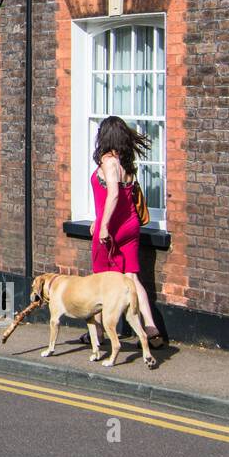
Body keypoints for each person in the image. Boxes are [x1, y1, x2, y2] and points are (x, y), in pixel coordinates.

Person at [91, 115, 163, 346]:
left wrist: (102, 225)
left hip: (112, 228)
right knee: (132, 277)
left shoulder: (108, 162)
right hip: (131, 225)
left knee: (100, 282)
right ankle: (151, 328)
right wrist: (96, 218)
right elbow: (120, 199)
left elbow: (112, 194)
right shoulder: (126, 164)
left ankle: (99, 333)